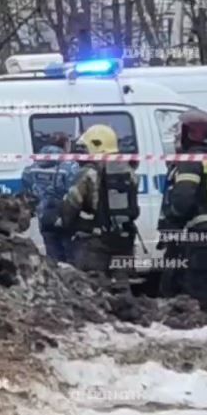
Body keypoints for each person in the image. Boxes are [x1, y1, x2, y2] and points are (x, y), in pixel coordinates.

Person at [159, 109, 207, 314]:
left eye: (179, 130)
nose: (176, 135)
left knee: (198, 287)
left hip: (199, 237)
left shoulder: (191, 160)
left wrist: (172, 219)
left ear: (190, 133)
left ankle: (206, 328)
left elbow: (183, 200)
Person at [60, 125, 139, 292]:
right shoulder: (128, 170)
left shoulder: (88, 173)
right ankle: (128, 312)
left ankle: (100, 316)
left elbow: (72, 203)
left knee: (94, 286)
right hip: (124, 238)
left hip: (95, 240)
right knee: (122, 284)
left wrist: (65, 224)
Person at [20, 135, 79, 264]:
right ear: (65, 146)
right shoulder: (70, 166)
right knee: (71, 257)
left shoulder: (33, 167)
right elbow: (75, 191)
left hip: (44, 215)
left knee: (53, 257)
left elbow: (27, 185)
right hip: (64, 216)